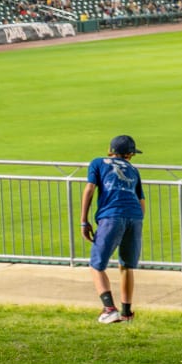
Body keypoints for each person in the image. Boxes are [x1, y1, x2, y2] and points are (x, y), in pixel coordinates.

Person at [79, 135, 145, 324]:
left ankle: (109, 308)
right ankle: (127, 313)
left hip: (111, 216)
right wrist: (136, 222)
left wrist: (84, 221)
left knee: (96, 265)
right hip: (134, 217)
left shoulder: (98, 162)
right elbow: (141, 201)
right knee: (126, 266)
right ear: (130, 154)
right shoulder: (133, 170)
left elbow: (90, 189)